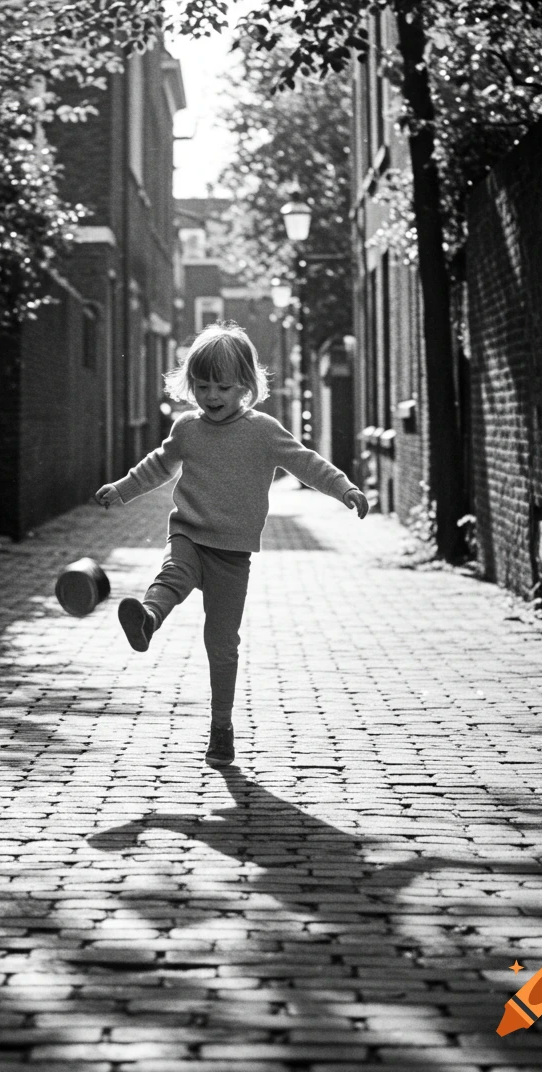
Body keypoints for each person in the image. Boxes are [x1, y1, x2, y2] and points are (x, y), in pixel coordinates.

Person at [95, 322, 369, 766]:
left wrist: (345, 489)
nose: (212, 396)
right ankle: (147, 619)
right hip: (189, 531)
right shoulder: (187, 429)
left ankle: (221, 727)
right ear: (190, 386)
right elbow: (158, 465)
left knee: (221, 643)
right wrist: (122, 488)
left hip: (233, 553)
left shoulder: (263, 430)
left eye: (222, 386)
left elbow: (305, 463)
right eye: (202, 386)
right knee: (173, 575)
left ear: (246, 385)